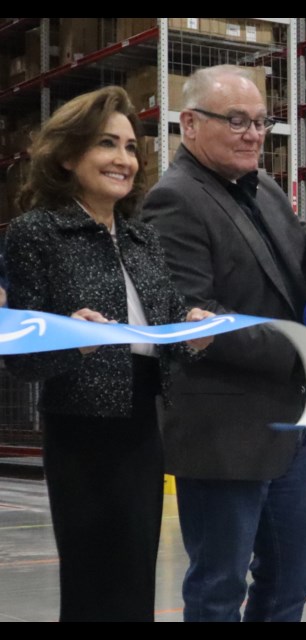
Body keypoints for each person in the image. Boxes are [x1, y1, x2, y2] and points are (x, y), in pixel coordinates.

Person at [140, 65, 306, 622]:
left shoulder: (261, 186)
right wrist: (300, 344)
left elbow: (292, 244)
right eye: (237, 121)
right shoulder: (174, 201)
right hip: (223, 427)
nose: (252, 135)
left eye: (261, 122)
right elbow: (196, 321)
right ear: (190, 124)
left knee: (296, 568)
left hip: (281, 421)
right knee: (220, 584)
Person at [4, 86, 214, 621]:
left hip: (144, 423)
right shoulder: (37, 234)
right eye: (106, 144)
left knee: (136, 577)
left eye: (130, 146)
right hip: (80, 428)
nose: (124, 159)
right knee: (93, 579)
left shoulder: (143, 239)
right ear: (69, 155)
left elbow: (167, 331)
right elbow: (21, 358)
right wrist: (68, 342)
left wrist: (194, 331)